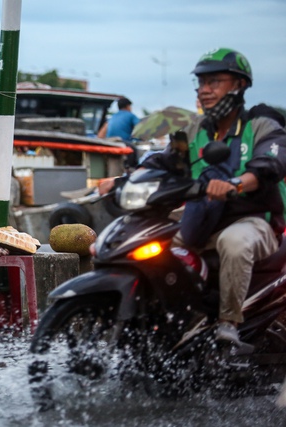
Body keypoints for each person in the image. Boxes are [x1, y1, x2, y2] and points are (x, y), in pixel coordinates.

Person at [101, 48, 286, 346]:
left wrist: (237, 183)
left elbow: (271, 163)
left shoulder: (261, 123)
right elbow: (162, 162)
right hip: (202, 220)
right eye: (201, 83)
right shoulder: (194, 129)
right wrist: (121, 180)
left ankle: (228, 324)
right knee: (152, 248)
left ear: (238, 85)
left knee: (234, 242)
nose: (205, 90)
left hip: (253, 221)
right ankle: (170, 325)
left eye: (214, 82)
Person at [98, 97, 141, 169]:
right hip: (121, 142)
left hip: (109, 142)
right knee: (134, 150)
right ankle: (132, 169)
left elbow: (101, 134)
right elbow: (141, 128)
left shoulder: (112, 117)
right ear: (128, 106)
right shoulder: (130, 115)